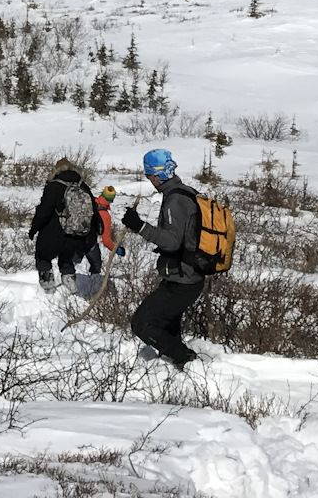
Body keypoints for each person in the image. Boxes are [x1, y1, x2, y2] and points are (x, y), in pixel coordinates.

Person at [120, 147, 205, 368]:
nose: (150, 181)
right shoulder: (186, 192)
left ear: (157, 176)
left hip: (183, 279)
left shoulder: (175, 200)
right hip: (186, 275)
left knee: (142, 323)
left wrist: (139, 226)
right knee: (167, 327)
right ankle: (176, 368)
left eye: (149, 177)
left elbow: (172, 241)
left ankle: (188, 361)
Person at [28, 158, 104, 290]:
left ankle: (47, 290)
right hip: (78, 235)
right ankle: (70, 291)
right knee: (67, 261)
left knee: (43, 257)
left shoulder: (54, 186)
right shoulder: (83, 186)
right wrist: (96, 230)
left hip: (54, 233)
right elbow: (93, 210)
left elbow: (44, 211)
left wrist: (34, 228)